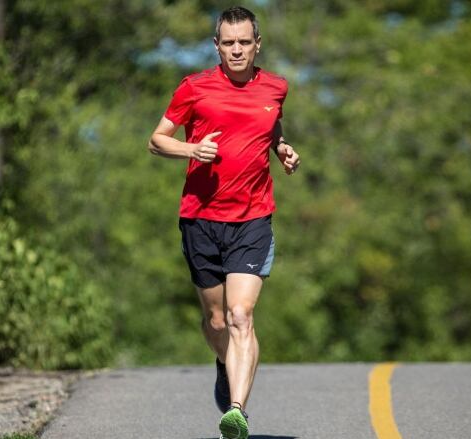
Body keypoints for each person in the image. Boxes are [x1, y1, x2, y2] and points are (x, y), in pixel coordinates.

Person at [148, 5, 300, 439]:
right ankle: (224, 362)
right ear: (217, 45)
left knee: (240, 315)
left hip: (253, 217)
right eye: (228, 43)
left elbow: (269, 128)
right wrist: (191, 150)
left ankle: (236, 411)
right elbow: (157, 140)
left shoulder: (275, 87)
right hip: (200, 218)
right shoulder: (194, 88)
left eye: (244, 43)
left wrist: (283, 149)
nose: (237, 50)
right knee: (216, 322)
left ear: (257, 44)